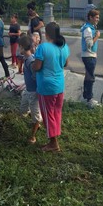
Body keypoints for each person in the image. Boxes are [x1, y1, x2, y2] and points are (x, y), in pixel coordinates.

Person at [32, 22, 69, 152]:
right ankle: (55, 137)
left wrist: (32, 64)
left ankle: (53, 143)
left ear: (46, 34)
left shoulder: (43, 47)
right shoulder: (64, 46)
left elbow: (37, 67)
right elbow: (66, 63)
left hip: (46, 87)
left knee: (48, 115)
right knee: (56, 112)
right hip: (59, 85)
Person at [18, 36, 43, 144]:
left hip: (34, 93)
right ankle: (37, 120)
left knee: (36, 116)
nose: (18, 49)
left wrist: (38, 90)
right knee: (23, 110)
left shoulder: (30, 61)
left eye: (19, 47)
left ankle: (32, 136)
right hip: (28, 91)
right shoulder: (27, 59)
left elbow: (36, 77)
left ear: (23, 48)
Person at [80, 9, 100, 108]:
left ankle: (86, 96)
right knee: (90, 78)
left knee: (88, 76)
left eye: (98, 18)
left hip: (89, 55)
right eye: (96, 17)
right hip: (89, 56)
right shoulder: (88, 29)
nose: (98, 19)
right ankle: (89, 99)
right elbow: (90, 44)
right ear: (90, 17)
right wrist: (97, 36)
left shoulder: (89, 27)